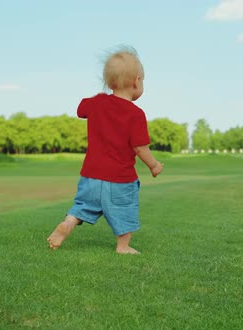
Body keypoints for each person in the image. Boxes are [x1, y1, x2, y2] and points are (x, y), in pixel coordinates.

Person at [47, 46, 163, 254]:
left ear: (109, 82)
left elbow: (81, 109)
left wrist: (101, 96)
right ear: (137, 81)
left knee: (82, 205)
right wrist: (154, 165)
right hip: (120, 179)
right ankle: (123, 246)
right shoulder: (135, 114)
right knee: (125, 211)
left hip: (91, 176)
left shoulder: (98, 103)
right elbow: (140, 148)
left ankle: (69, 222)